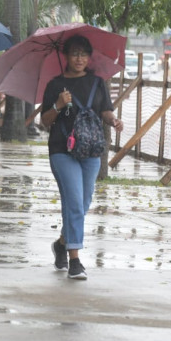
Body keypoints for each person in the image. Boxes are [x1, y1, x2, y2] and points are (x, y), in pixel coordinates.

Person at [41, 35, 123, 280]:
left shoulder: (97, 82)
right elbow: (45, 121)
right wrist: (58, 104)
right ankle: (74, 260)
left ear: (89, 57)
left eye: (84, 54)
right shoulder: (55, 85)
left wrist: (113, 120)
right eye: (75, 54)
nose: (79, 59)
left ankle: (62, 242)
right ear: (66, 56)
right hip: (61, 150)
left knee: (83, 203)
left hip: (90, 151)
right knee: (75, 202)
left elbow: (105, 110)